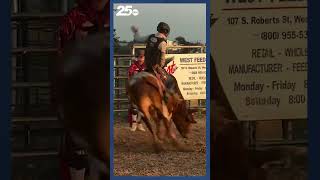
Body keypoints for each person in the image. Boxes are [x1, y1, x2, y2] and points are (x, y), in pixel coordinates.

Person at [51, 1, 109, 180]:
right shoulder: (73, 18)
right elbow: (61, 56)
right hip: (81, 93)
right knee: (78, 153)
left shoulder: (117, 13)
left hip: (103, 93)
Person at [127, 50, 146, 132]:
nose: (141, 59)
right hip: (135, 88)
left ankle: (140, 123)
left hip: (144, 89)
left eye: (142, 57)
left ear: (145, 58)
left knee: (142, 107)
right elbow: (130, 77)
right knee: (134, 106)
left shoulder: (147, 66)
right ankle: (134, 123)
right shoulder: (133, 66)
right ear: (137, 58)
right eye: (139, 57)